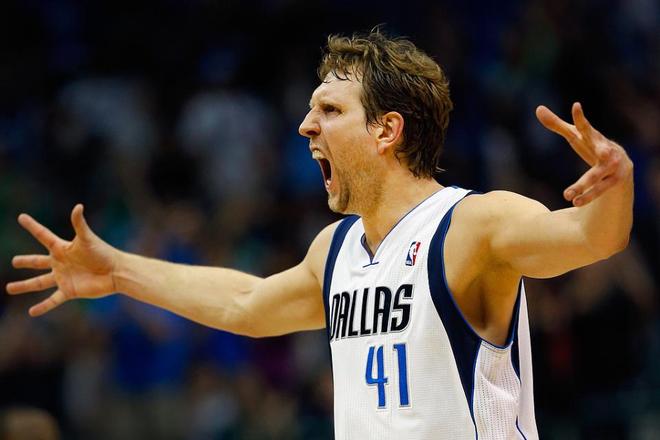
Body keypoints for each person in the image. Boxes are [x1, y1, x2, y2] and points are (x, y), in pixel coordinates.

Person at [6, 31, 633, 439]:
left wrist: (615, 183)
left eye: (330, 111)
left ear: (386, 130)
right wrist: (118, 271)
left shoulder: (472, 223)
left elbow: (590, 238)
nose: (306, 126)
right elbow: (246, 304)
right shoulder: (336, 250)